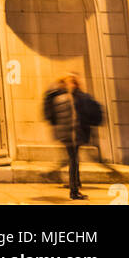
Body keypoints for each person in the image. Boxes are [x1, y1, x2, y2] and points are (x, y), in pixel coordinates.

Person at [43, 72, 103, 200]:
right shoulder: (66, 99)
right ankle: (74, 190)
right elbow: (70, 119)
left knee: (73, 161)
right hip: (71, 135)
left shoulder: (59, 97)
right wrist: (75, 134)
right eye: (69, 82)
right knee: (73, 162)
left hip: (67, 135)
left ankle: (74, 187)